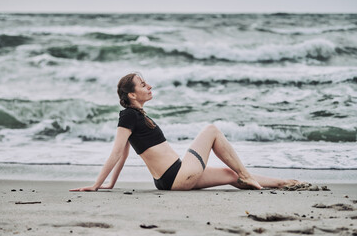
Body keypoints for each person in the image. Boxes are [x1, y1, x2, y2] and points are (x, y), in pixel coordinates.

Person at [70, 72, 300, 192]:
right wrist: (98, 184)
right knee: (211, 130)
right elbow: (116, 152)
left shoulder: (138, 116)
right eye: (143, 85)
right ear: (131, 95)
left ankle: (282, 183)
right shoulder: (129, 115)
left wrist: (111, 183)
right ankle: (248, 174)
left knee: (231, 175)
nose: (149, 86)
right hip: (176, 175)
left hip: (170, 180)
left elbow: (125, 154)